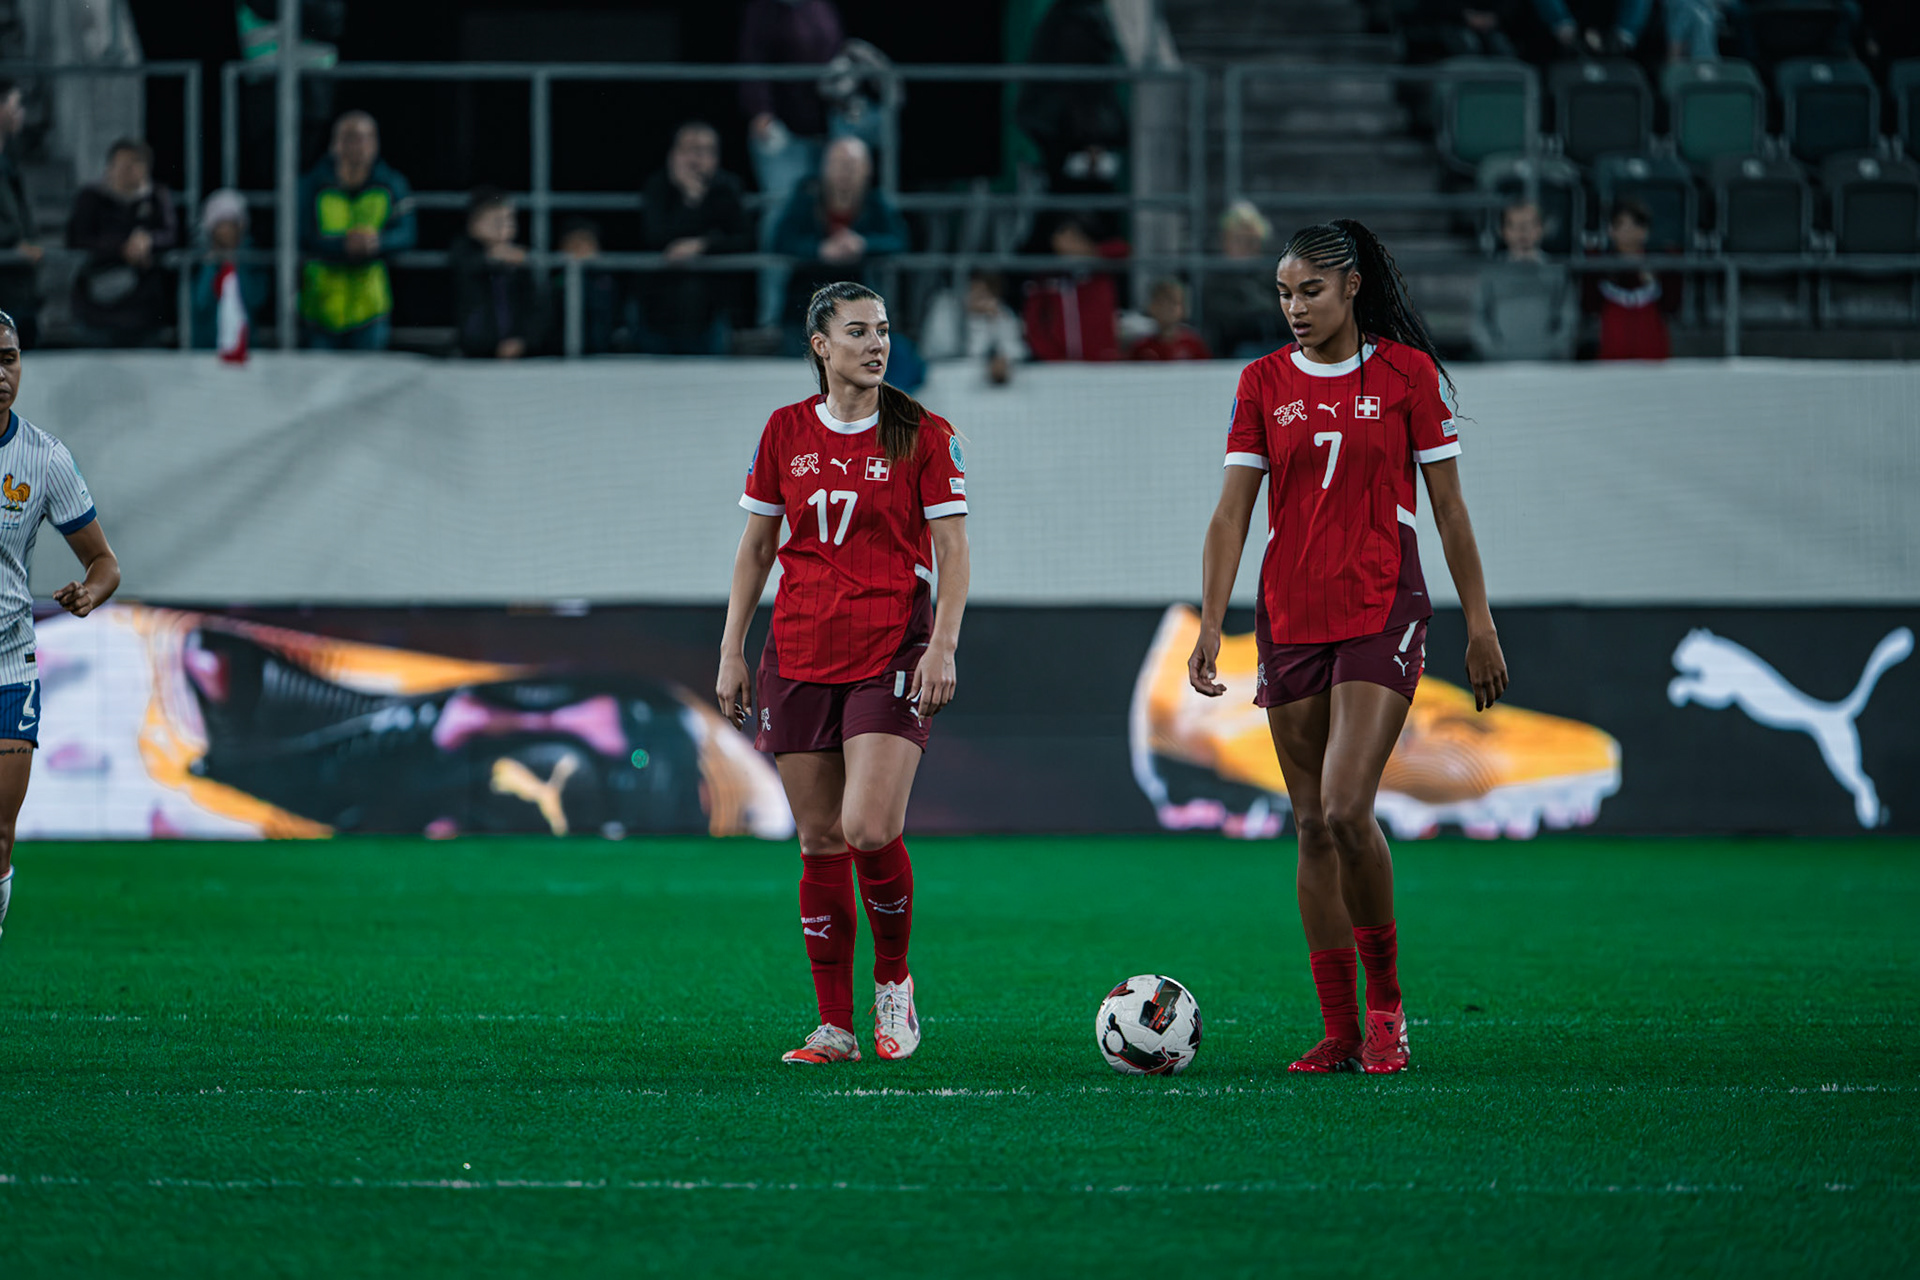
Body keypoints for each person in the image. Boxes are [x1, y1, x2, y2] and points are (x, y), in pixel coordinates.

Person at [1188, 220, 1508, 1076]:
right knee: (1308, 825)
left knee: (1342, 807)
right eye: (1285, 294)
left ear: (1353, 287)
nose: (1294, 309)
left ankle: (1389, 1009)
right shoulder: (1260, 383)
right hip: (1290, 613)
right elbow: (1231, 514)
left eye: (1310, 292)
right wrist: (1213, 620)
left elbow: (1448, 511)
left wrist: (1479, 623)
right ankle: (1337, 1030)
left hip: (1382, 606)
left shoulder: (1407, 378)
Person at [716, 280, 970, 1066]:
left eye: (884, 330)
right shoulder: (784, 430)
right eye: (859, 331)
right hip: (797, 652)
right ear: (821, 346)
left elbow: (953, 553)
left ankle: (893, 983)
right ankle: (835, 1026)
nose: (877, 344)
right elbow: (758, 548)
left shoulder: (921, 432)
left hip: (891, 648)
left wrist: (943, 646)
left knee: (868, 828)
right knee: (821, 840)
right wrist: (732, 647)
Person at [0, 307, 122, 942]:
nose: (1, 372)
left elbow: (105, 563)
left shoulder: (43, 458)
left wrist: (88, 594)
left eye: (9, 358)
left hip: (9, 664)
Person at [739, 0, 847, 327]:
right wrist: (760, 111)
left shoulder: (821, 8)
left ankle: (846, 314)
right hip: (781, 134)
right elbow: (751, 59)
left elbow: (839, 58)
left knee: (840, 213)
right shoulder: (763, 9)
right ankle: (770, 318)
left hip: (826, 131)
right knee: (779, 214)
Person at [769, 137, 907, 349]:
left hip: (861, 305)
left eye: (852, 165)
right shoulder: (806, 195)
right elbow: (779, 240)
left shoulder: (874, 201)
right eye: (838, 163)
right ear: (824, 167)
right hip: (805, 305)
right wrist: (819, 250)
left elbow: (899, 240)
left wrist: (863, 245)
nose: (845, 171)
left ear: (867, 169)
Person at [298, 111, 417, 351]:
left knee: (368, 383)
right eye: (351, 137)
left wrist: (378, 243)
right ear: (335, 143)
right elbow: (301, 234)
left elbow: (407, 233)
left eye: (366, 138)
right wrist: (343, 246)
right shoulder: (312, 183)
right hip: (321, 305)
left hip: (370, 307)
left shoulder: (392, 184)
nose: (359, 145)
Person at [639, 122, 751, 355]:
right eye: (690, 150)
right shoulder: (657, 186)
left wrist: (702, 245)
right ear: (674, 154)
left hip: (710, 312)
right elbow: (655, 237)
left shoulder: (728, 188)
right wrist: (691, 202)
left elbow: (744, 239)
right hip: (657, 311)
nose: (696, 159)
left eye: (706, 151)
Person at [65, 139, 179, 347]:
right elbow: (78, 240)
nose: (130, 170)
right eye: (124, 164)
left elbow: (171, 235)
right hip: (97, 309)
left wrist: (149, 241)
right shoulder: (90, 198)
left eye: (137, 164)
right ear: (110, 166)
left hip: (145, 313)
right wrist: (122, 247)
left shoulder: (156, 197)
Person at [1469, 201, 1578, 361]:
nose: (1522, 232)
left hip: (1548, 367)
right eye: (1514, 226)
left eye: (1528, 225)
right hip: (1498, 367)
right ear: (1503, 231)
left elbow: (1568, 319)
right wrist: (1494, 352)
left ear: (1540, 229)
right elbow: (1478, 319)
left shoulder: (1557, 272)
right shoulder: (1491, 273)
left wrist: (1552, 351)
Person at [450, 188, 544, 361]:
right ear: (473, 224)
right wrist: (491, 258)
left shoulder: (520, 259)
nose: (504, 227)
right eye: (495, 221)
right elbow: (466, 266)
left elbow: (535, 307)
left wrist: (523, 341)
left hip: (517, 353)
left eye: (509, 219)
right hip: (473, 354)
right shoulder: (463, 251)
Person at [1021, 215, 1127, 362]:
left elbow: (1123, 250)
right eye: (1062, 237)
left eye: (1074, 238)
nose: (1068, 244)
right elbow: (1033, 324)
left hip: (1102, 362)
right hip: (1060, 365)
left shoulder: (1101, 269)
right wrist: (1051, 355)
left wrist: (1090, 251)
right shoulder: (1046, 279)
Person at [1584, 198, 1678, 361]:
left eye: (1633, 225)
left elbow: (1672, 305)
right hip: (1612, 350)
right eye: (1618, 225)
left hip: (1652, 351)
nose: (1626, 231)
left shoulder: (1662, 266)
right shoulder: (1598, 266)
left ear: (1644, 231)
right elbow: (1589, 305)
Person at [189, 189, 269, 351]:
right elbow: (199, 303)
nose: (227, 231)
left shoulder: (253, 261)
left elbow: (255, 300)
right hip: (205, 349)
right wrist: (210, 266)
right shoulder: (197, 263)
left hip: (245, 349)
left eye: (232, 224)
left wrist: (237, 265)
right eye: (221, 224)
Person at [1206, 201, 1287, 359]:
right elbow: (1226, 325)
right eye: (1238, 240)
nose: (1247, 247)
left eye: (1252, 241)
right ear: (1225, 242)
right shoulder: (1215, 279)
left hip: (1276, 345)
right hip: (1236, 352)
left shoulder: (1273, 275)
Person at [919, 270, 1026, 384]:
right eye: (972, 291)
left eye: (983, 294)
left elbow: (1017, 351)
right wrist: (977, 321)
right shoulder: (946, 310)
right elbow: (949, 352)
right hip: (946, 379)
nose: (975, 298)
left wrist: (993, 321)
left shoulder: (1002, 313)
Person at [0, 83, 43, 348]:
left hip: (18, 286)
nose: (21, 113)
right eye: (15, 105)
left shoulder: (9, 161)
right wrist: (14, 241)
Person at [1127, 278, 1213, 361]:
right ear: (1152, 307)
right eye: (1162, 303)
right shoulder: (1142, 348)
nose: (1167, 309)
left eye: (1174, 303)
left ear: (1184, 308)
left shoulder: (1194, 345)